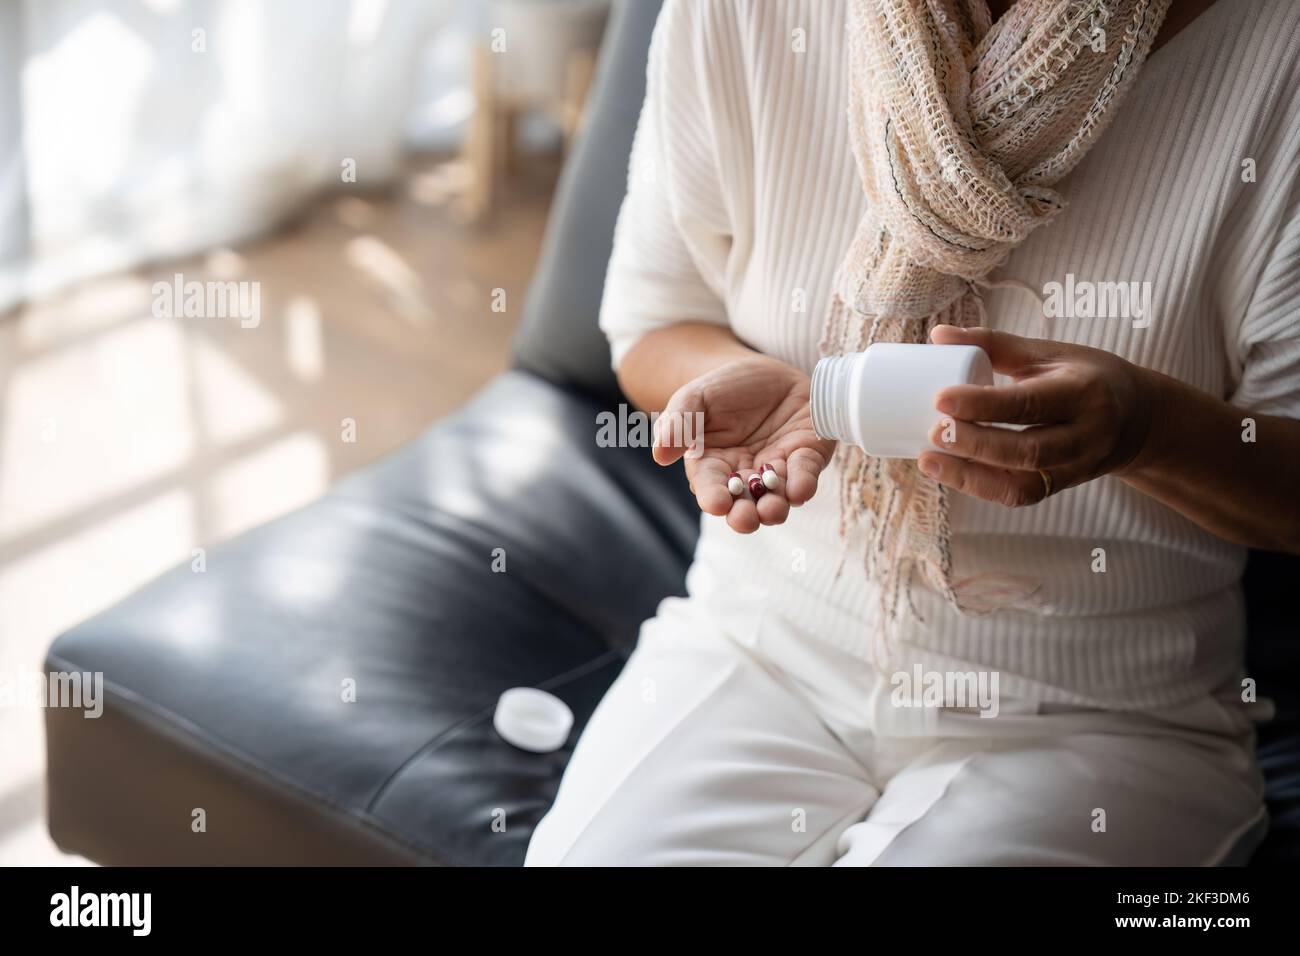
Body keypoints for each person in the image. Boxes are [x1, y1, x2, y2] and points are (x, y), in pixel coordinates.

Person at [525, 0, 1300, 866]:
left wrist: (1150, 432)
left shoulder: (1277, 61)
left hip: (1101, 716)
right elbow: (655, 322)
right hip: (761, 644)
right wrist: (779, 397)